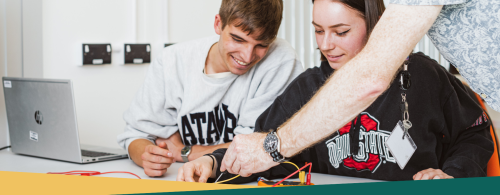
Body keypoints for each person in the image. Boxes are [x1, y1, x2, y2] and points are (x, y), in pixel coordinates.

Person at [177, 0, 494, 183]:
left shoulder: (425, 75)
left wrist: (452, 175)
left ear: (375, 25)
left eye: (341, 32)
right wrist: (215, 163)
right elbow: (266, 147)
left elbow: (475, 133)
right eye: (318, 31)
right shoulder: (307, 85)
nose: (326, 44)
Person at [117, 0, 303, 177]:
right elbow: (135, 135)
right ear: (218, 24)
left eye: (261, 45)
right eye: (238, 39)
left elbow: (258, 149)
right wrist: (147, 156)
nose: (247, 57)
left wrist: (185, 152)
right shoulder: (171, 62)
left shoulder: (281, 60)